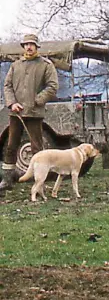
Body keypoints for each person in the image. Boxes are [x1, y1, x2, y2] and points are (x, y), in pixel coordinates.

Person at [0, 33, 58, 195]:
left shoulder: (46, 65)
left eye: (32, 44)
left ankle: (39, 182)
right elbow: (7, 85)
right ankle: (7, 179)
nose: (29, 47)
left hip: (34, 113)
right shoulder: (16, 65)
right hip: (16, 113)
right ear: (23, 47)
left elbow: (52, 86)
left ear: (37, 47)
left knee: (37, 147)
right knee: (11, 146)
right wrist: (12, 103)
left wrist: (37, 100)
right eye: (26, 44)